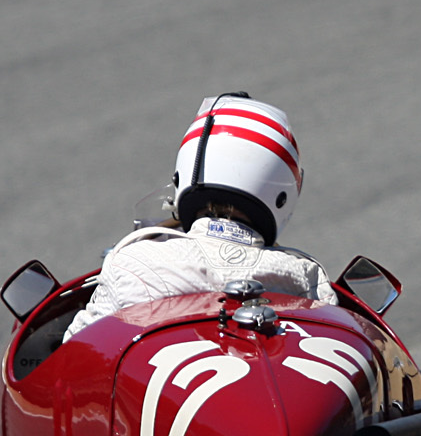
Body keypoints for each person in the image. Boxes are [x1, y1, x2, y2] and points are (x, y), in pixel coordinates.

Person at [64, 93, 335, 340]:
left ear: (185, 171)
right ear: (282, 191)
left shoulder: (132, 261)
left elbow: (74, 351)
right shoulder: (305, 277)